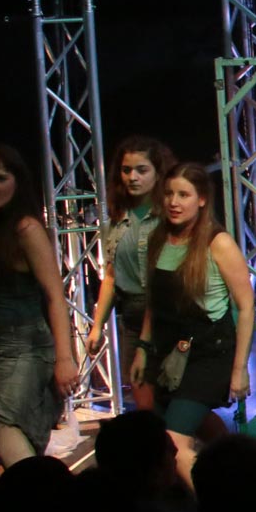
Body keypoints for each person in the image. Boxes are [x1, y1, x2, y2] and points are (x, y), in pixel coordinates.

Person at [0, 144, 79, 467]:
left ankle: (38, 492)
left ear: (17, 182)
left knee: (9, 431)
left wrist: (64, 359)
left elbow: (55, 296)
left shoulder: (27, 229)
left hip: (27, 351)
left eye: (1, 178)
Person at [137, 161, 254, 485]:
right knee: (199, 428)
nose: (174, 202)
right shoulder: (159, 239)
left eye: (183, 195)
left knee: (173, 442)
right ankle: (245, 476)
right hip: (169, 353)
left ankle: (215, 507)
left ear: (201, 199)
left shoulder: (218, 242)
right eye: (169, 194)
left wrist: (240, 369)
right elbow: (154, 303)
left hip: (208, 353)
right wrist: (143, 347)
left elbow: (246, 307)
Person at [81, 133, 177, 407]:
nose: (132, 177)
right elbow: (111, 276)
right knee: (145, 403)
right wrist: (97, 326)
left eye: (141, 170)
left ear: (158, 173)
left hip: (166, 317)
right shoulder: (117, 219)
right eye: (126, 170)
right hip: (132, 318)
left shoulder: (169, 215)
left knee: (176, 403)